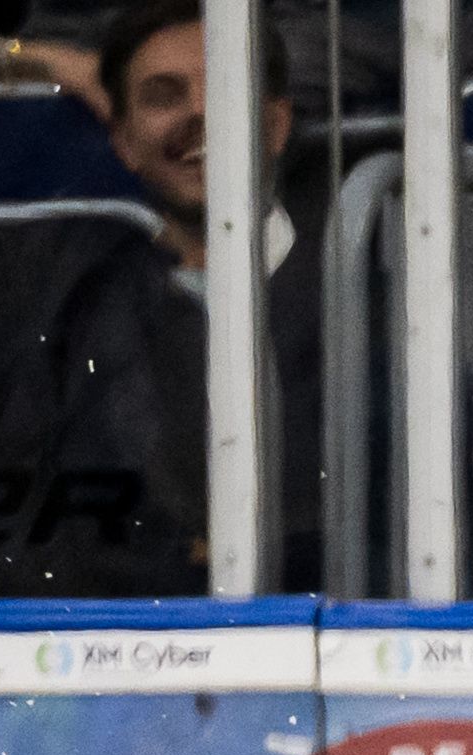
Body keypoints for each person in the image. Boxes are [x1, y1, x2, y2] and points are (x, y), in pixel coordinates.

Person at [96, 0, 326, 586]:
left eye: (223, 84)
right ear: (123, 142)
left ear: (276, 125)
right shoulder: (89, 305)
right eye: (163, 96)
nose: (199, 112)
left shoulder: (360, 294)